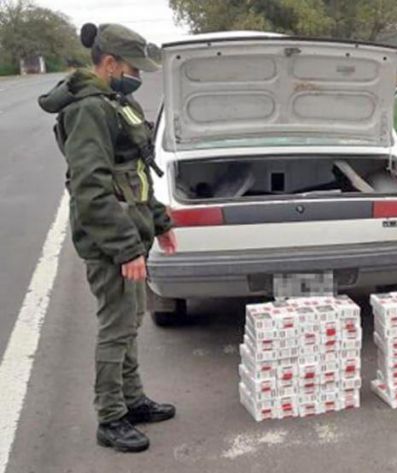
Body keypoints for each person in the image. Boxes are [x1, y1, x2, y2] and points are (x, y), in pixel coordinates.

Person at [38, 23, 177, 453]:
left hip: (130, 234)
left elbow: (137, 174)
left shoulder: (117, 103)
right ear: (111, 63)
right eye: (133, 68)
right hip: (111, 243)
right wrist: (125, 248)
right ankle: (111, 416)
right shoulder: (89, 110)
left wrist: (160, 222)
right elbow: (91, 188)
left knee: (130, 321)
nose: (138, 77)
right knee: (116, 328)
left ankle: (132, 400)